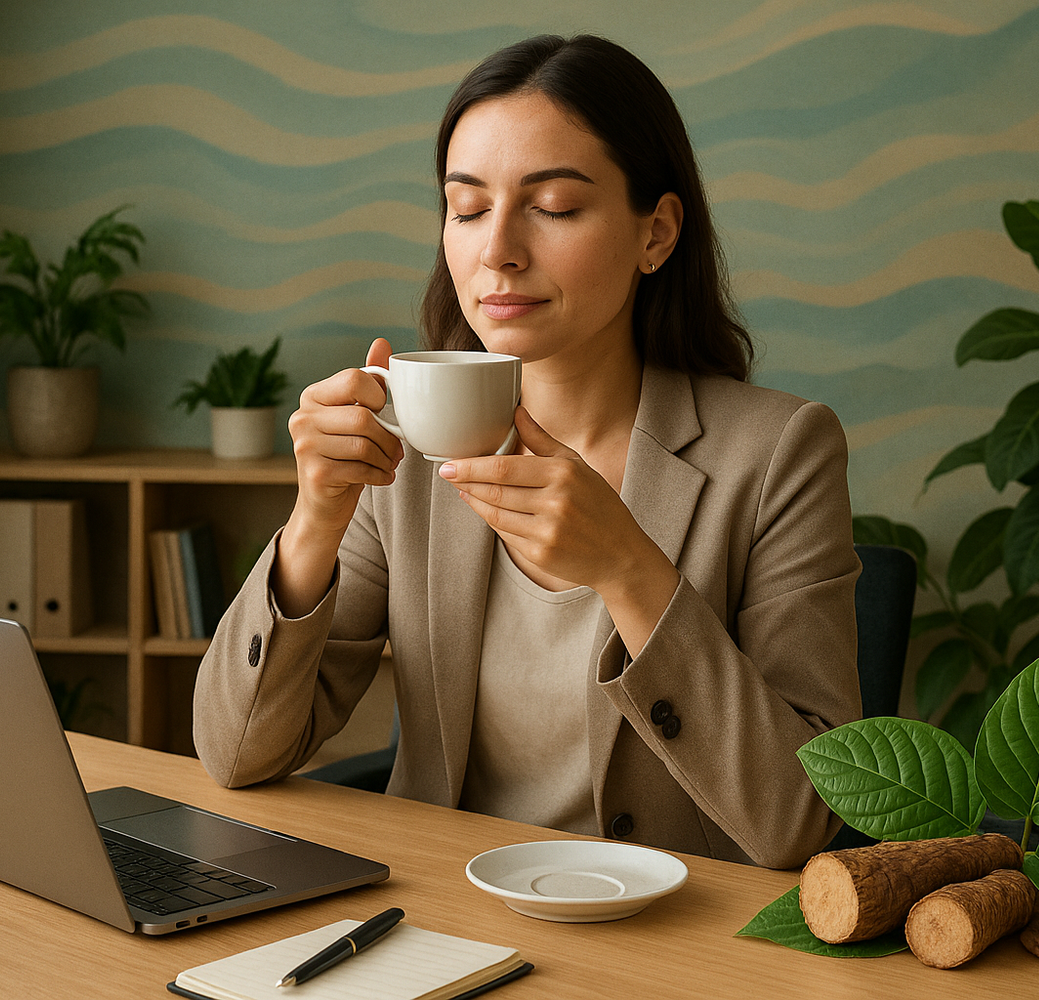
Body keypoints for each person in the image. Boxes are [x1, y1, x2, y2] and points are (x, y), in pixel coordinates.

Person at [193, 34, 861, 869]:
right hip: (437, 922)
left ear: (656, 233)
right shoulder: (407, 450)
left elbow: (805, 823)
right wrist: (313, 523)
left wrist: (628, 570)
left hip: (671, 945)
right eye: (467, 208)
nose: (496, 248)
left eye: (551, 206)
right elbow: (236, 753)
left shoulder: (779, 454)